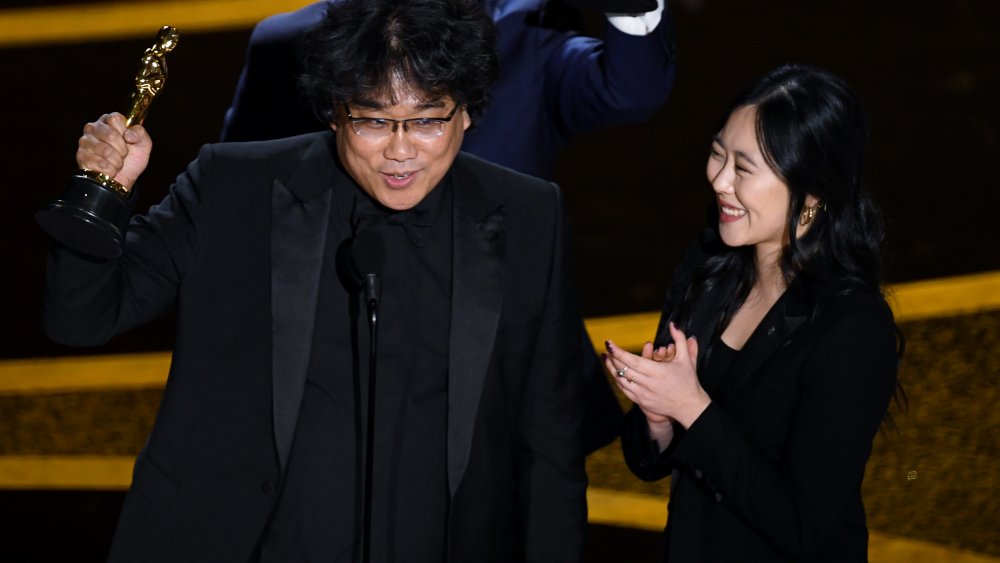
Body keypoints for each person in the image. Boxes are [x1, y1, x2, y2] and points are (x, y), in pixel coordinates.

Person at [42, 0, 587, 561]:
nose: (400, 150)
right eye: (374, 120)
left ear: (467, 112)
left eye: (426, 120)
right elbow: (81, 319)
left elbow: (551, 451)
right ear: (335, 111)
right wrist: (101, 191)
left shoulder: (529, 217)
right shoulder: (234, 188)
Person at [604, 64, 901, 561]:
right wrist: (657, 418)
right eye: (717, 153)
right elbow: (649, 462)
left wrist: (691, 409)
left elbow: (803, 529)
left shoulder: (852, 329)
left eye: (743, 168)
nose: (718, 180)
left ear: (811, 196)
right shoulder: (707, 268)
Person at [220, 0, 677, 180]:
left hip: (506, 354)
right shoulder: (289, 45)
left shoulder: (527, 29)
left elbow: (628, 91)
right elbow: (239, 188)